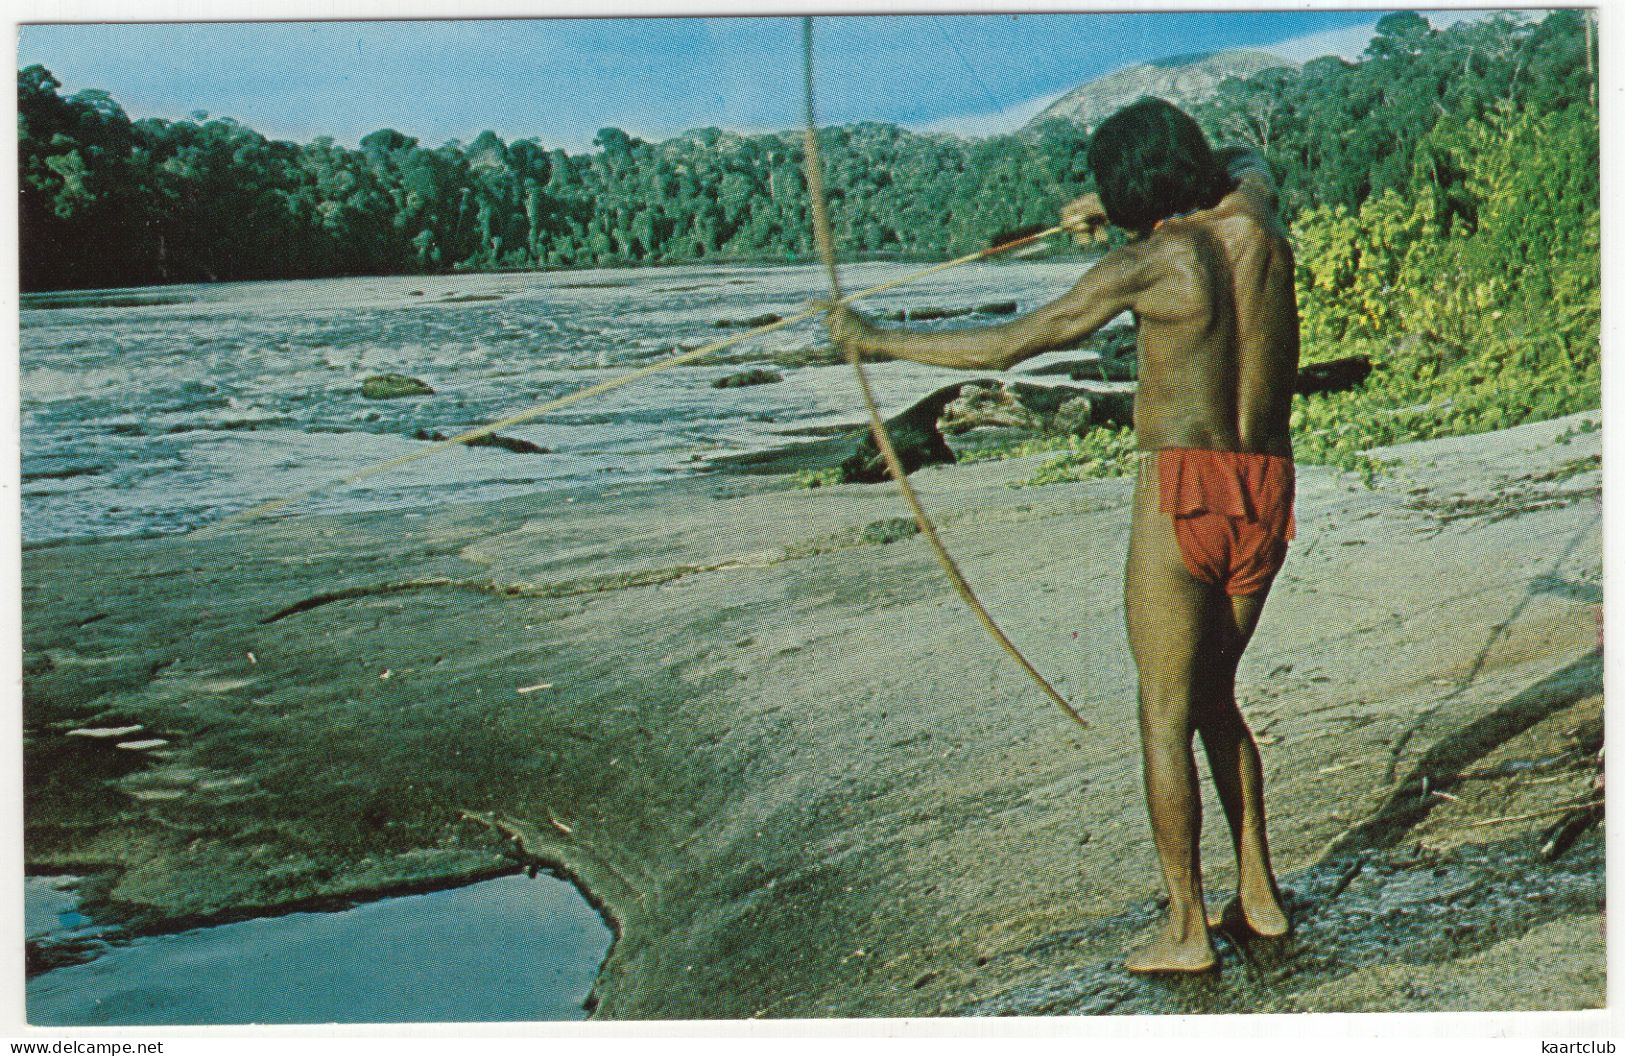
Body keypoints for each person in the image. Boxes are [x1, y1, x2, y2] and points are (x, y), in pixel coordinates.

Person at [824, 96, 1298, 974]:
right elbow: (1237, 160)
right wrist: (1123, 201)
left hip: (1181, 486)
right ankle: (1259, 896)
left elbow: (1014, 343)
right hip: (1267, 487)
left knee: (1163, 715)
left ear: (1126, 193)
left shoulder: (1149, 263)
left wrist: (875, 340)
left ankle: (1187, 930)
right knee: (1211, 694)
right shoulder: (1257, 216)